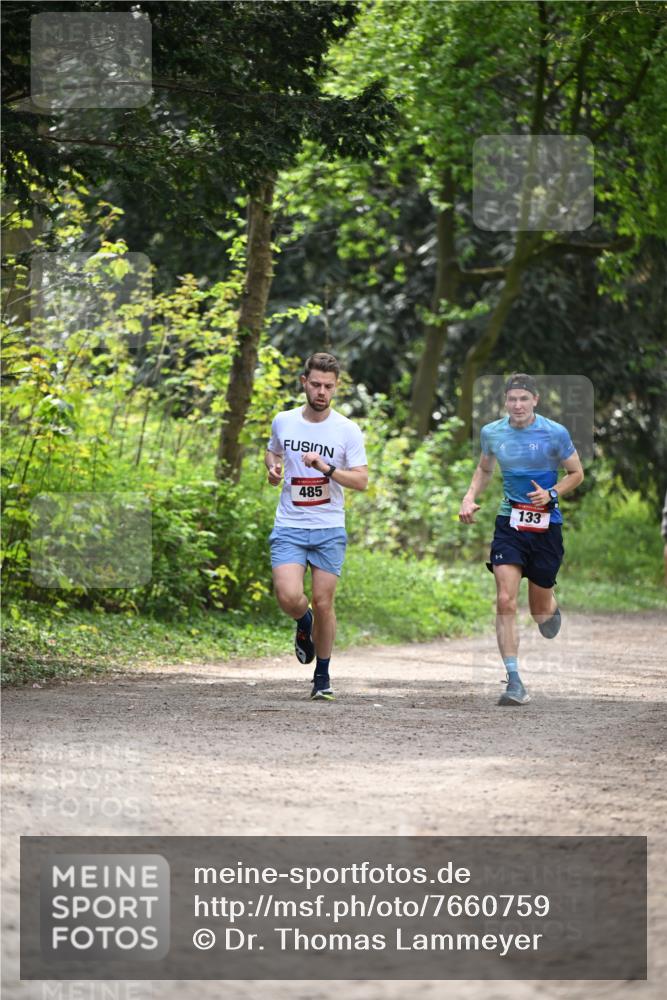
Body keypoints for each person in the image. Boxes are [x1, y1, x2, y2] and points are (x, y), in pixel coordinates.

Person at [459, 374, 584, 706]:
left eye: (523, 399)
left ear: (535, 400)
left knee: (539, 611)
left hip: (546, 527)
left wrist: (552, 494)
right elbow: (485, 469)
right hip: (509, 524)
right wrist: (469, 497)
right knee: (505, 601)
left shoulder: (555, 432)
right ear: (505, 402)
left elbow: (577, 473)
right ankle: (514, 681)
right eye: (512, 399)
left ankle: (550, 608)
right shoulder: (492, 433)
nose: (517, 405)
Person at [265, 352, 368, 701]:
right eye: (316, 384)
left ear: (336, 387)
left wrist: (326, 469)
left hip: (328, 527)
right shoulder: (284, 420)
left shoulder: (347, 430)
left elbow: (361, 481)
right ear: (304, 382)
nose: (322, 391)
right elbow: (273, 451)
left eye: (329, 386)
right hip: (290, 523)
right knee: (288, 595)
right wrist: (273, 468)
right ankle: (302, 620)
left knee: (325, 602)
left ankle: (322, 676)